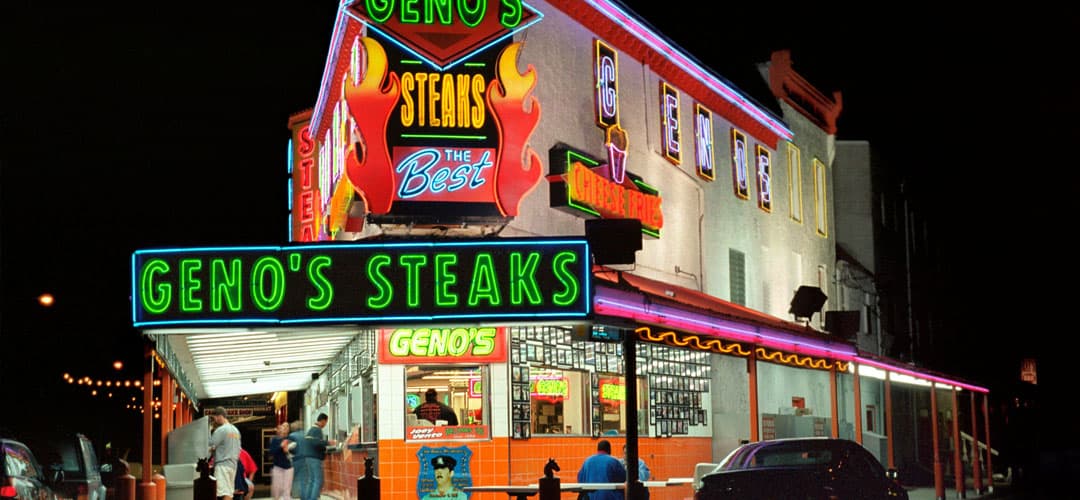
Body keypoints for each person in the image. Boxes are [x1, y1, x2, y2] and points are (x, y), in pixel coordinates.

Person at [293, 413, 336, 500]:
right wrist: (328, 442)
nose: (325, 425)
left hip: (309, 457)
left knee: (312, 480)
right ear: (323, 421)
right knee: (318, 480)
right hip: (315, 458)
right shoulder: (317, 430)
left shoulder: (311, 429)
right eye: (326, 422)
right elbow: (316, 443)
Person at [208, 407, 242, 500]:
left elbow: (210, 446)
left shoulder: (221, 430)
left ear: (219, 416)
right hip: (233, 466)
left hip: (222, 465)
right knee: (229, 494)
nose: (214, 420)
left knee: (223, 493)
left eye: (214, 417)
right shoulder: (236, 431)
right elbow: (239, 450)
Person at [268, 423, 294, 500]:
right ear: (280, 428)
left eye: (287, 426)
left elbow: (296, 452)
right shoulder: (275, 440)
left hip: (289, 467)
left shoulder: (291, 439)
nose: (285, 428)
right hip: (277, 467)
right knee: (276, 491)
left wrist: (288, 451)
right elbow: (271, 452)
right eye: (284, 426)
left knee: (287, 490)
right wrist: (281, 446)